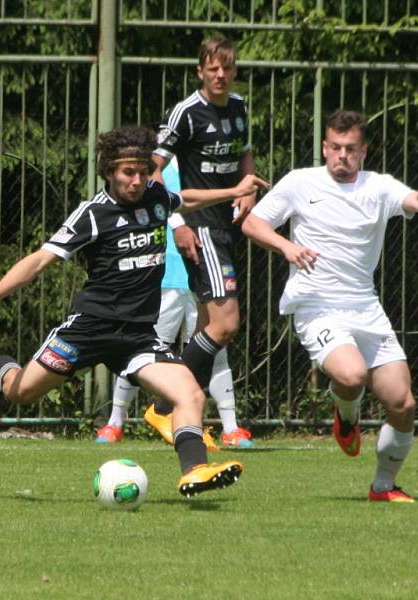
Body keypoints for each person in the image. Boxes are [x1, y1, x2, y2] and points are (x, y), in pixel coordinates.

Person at [0, 126, 265, 497]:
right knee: (20, 391)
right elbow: (41, 259)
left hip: (139, 335)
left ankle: (195, 470)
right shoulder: (92, 214)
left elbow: (183, 200)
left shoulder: (156, 197)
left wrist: (234, 191)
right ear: (108, 171)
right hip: (90, 328)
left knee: (190, 393)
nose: (137, 180)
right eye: (128, 172)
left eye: (143, 171)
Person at [241, 109, 418, 502]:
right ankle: (346, 417)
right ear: (324, 147)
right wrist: (286, 246)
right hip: (316, 305)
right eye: (335, 147)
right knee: (351, 376)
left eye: (350, 149)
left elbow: (415, 202)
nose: (342, 156)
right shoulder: (301, 182)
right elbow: (253, 223)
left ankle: (383, 487)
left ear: (363, 151)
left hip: (365, 307)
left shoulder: (378, 186)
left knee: (403, 402)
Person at [144, 34, 257, 449]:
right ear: (200, 72)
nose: (221, 75)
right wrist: (175, 221)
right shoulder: (185, 113)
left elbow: (245, 153)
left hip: (227, 226)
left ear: (234, 70)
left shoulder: (241, 108)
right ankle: (166, 403)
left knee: (212, 328)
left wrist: (247, 189)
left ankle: (178, 406)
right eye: (213, 68)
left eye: (227, 68)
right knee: (226, 324)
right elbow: (153, 172)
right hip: (200, 226)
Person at [96, 158, 254, 448]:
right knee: (144, 350)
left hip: (206, 275)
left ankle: (230, 427)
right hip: (166, 276)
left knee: (215, 351)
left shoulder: (217, 169)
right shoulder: (160, 171)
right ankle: (114, 423)